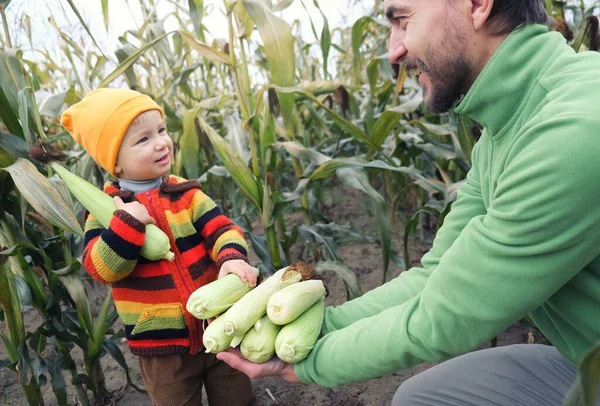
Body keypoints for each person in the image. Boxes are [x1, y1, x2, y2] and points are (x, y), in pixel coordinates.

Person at [216, 0, 600, 405]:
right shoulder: (503, 132)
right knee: (422, 397)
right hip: (584, 354)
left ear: (478, 6)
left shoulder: (573, 129)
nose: (393, 50)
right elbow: (435, 276)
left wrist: (304, 363)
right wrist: (314, 326)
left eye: (402, 20)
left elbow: (445, 315)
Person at [60, 88, 258, 406]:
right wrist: (127, 226)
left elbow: (223, 229)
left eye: (162, 131)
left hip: (221, 325)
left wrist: (230, 258)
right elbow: (101, 268)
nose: (161, 142)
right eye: (143, 139)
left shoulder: (186, 194)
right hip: (160, 346)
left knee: (238, 396)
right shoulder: (106, 213)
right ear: (115, 163)